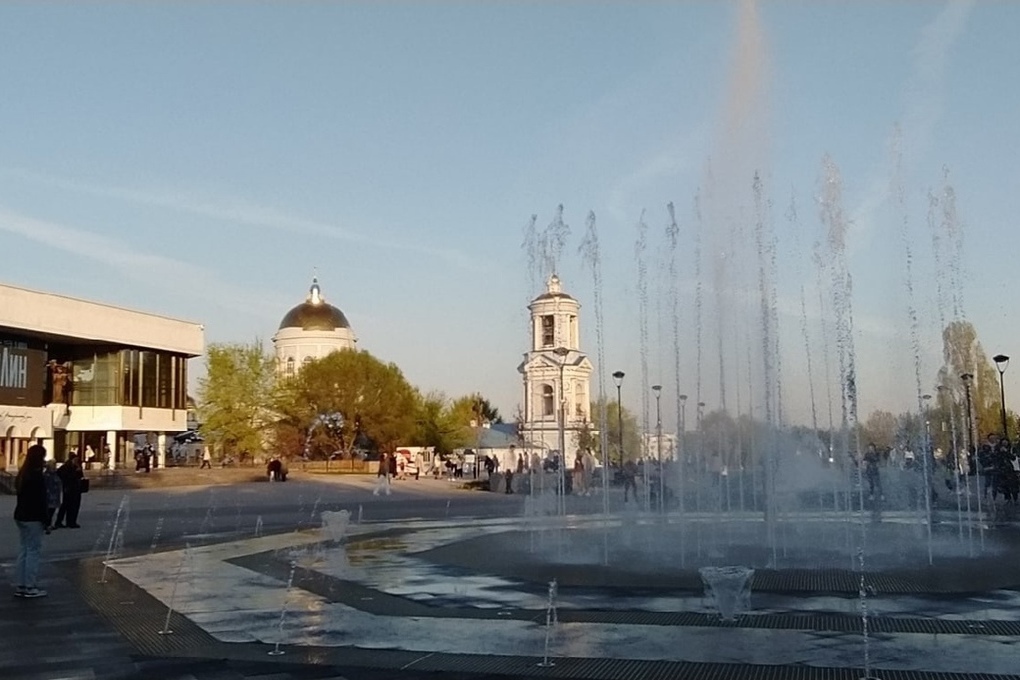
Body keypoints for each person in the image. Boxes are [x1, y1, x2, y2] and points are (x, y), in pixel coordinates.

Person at [14, 444, 49, 597]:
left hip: (21, 515)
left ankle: (21, 584)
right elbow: (41, 501)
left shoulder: (23, 474)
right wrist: (46, 521)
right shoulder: (37, 476)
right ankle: (30, 585)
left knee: (24, 550)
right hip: (33, 517)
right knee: (33, 551)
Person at [55, 454, 84, 529]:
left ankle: (71, 522)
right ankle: (59, 522)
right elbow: (60, 474)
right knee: (66, 506)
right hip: (69, 489)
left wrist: (78, 470)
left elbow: (80, 476)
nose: (76, 461)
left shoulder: (77, 465)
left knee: (74, 506)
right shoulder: (66, 466)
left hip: (76, 489)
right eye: (75, 459)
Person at [43, 460, 62, 533]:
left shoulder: (55, 474)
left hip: (55, 494)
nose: (54, 466)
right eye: (53, 465)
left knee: (52, 510)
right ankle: (47, 524)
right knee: (48, 511)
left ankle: (49, 523)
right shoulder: (46, 475)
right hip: (49, 495)